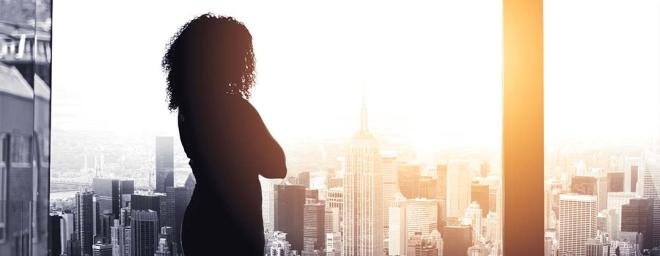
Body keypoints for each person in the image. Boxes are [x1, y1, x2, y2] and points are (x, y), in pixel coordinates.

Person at [162, 13, 287, 255]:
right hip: (235, 227)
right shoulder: (236, 109)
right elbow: (276, 166)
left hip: (200, 223)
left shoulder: (186, 109)